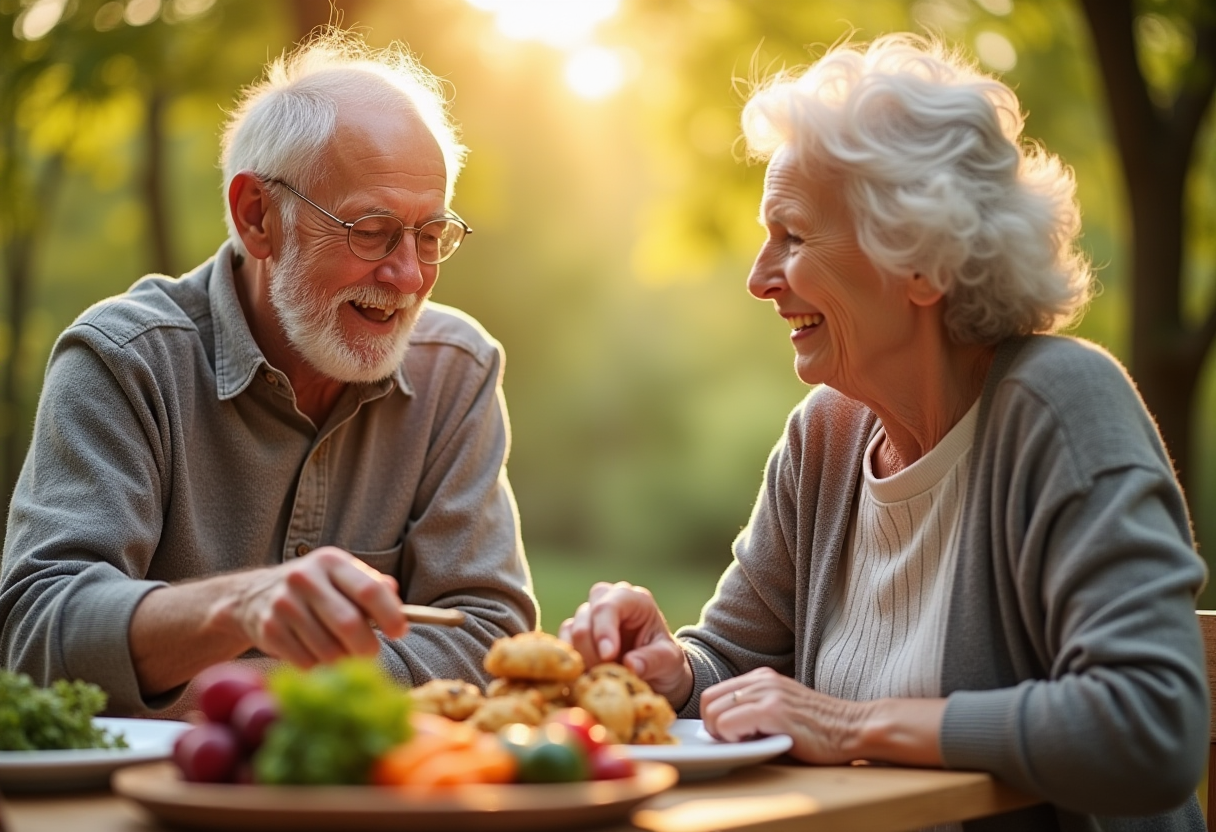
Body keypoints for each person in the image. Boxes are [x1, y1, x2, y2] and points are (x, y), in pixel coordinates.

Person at [561, 35, 1207, 830]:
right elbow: (734, 666)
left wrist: (848, 725)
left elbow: (1151, 724)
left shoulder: (1061, 406)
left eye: (793, 236)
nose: (759, 277)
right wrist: (669, 673)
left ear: (923, 263)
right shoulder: (825, 437)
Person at [0, 30, 537, 716]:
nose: (407, 275)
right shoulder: (124, 358)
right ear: (257, 217)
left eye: (430, 236)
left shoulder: (455, 371)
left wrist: (248, 698)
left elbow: (496, 641)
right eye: (370, 230)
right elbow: (36, 636)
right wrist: (239, 606)